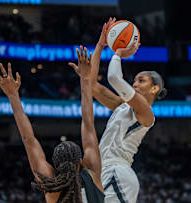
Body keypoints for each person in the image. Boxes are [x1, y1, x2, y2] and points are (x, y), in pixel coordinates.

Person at [69, 18, 167, 203]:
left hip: (117, 172)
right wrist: (100, 45)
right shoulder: (122, 105)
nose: (135, 83)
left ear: (154, 89)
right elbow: (92, 85)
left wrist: (118, 54)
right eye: (135, 80)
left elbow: (114, 77)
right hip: (99, 171)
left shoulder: (146, 113)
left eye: (142, 80)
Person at [0, 46, 104, 203]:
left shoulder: (52, 186)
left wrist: (13, 96)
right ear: (81, 162)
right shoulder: (92, 173)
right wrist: (85, 78)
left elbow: (28, 139)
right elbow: (88, 123)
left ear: (54, 165)